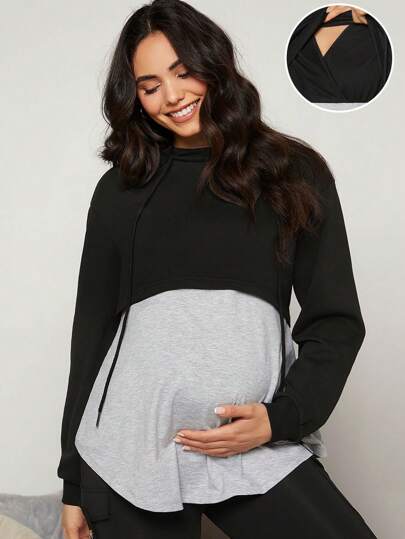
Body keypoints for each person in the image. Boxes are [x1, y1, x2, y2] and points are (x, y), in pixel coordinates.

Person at [57, 1, 377, 537]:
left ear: (215, 65)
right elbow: (91, 334)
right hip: (127, 452)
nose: (172, 96)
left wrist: (281, 418)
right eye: (150, 85)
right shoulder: (119, 192)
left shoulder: (292, 172)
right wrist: (73, 482)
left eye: (183, 72)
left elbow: (335, 320)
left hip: (252, 442)